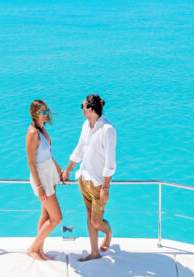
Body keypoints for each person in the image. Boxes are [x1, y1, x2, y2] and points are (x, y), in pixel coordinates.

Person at [60, 94, 116, 262]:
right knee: (89, 217)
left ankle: (108, 232)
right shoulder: (86, 125)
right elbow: (79, 149)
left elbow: (110, 163)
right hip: (83, 179)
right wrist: (68, 169)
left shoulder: (107, 130)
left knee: (97, 222)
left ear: (90, 109)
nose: (81, 109)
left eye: (82, 106)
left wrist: (105, 188)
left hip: (99, 184)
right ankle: (94, 252)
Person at [25, 100, 63, 261]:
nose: (45, 114)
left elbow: (48, 154)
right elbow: (31, 163)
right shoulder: (33, 133)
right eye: (41, 112)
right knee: (57, 218)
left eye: (46, 111)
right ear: (34, 114)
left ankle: (39, 250)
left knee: (45, 215)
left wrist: (60, 170)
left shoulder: (42, 129)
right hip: (41, 178)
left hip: (50, 173)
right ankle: (33, 248)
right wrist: (39, 186)